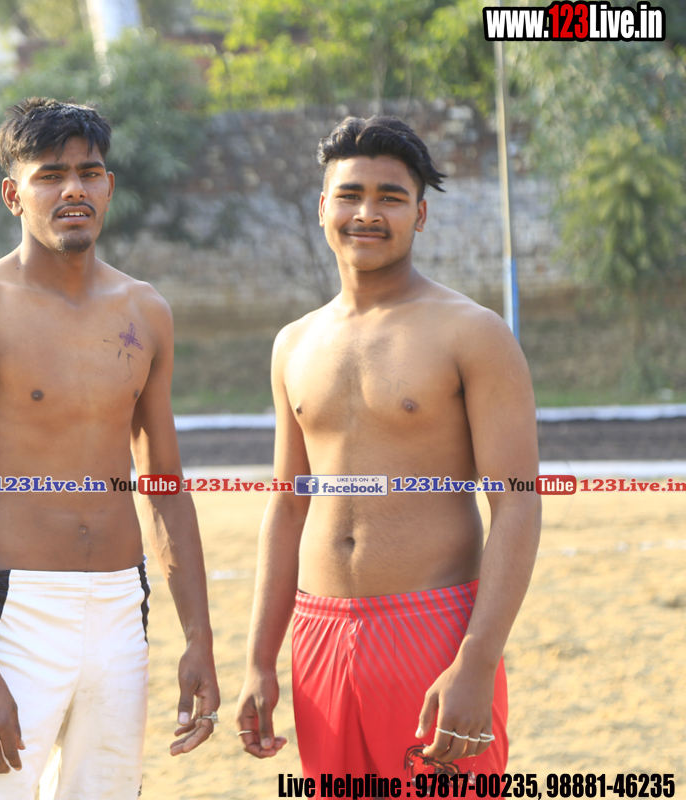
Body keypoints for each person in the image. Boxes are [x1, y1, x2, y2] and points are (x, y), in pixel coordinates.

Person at [0, 97, 219, 800]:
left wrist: (199, 637)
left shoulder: (146, 311)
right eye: (50, 175)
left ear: (109, 186)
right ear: (13, 194)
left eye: (88, 173)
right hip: (12, 609)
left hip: (120, 608)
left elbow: (166, 486)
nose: (73, 190)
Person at [236, 116, 541, 778]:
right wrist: (260, 658)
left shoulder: (473, 334)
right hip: (317, 634)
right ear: (323, 206)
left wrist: (477, 659)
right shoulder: (294, 343)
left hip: (433, 631)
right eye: (350, 195)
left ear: (420, 215)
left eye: (390, 197)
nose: (367, 213)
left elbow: (517, 504)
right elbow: (288, 505)